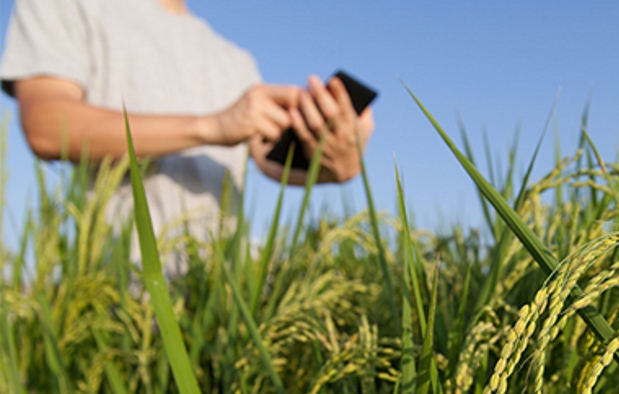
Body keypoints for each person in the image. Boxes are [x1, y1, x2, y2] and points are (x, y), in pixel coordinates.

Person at [0, 0, 375, 268]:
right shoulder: (64, 5)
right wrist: (211, 127)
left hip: (219, 295)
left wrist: (337, 161)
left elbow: (269, 160)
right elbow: (47, 125)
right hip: (118, 288)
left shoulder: (234, 58)